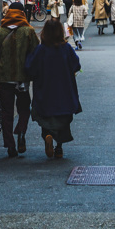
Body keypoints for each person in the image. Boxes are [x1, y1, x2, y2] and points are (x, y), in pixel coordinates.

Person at [0, 2, 39, 157]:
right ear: (22, 13)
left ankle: (10, 145)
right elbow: (36, 53)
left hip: (4, 78)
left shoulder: (0, 32)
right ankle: (21, 130)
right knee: (24, 109)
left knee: (6, 112)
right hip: (23, 79)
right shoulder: (29, 31)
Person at [25, 17, 81, 159]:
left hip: (45, 89)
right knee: (63, 119)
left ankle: (47, 135)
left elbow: (30, 68)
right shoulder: (66, 48)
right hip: (64, 90)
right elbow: (76, 65)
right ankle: (59, 147)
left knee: (45, 116)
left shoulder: (40, 49)